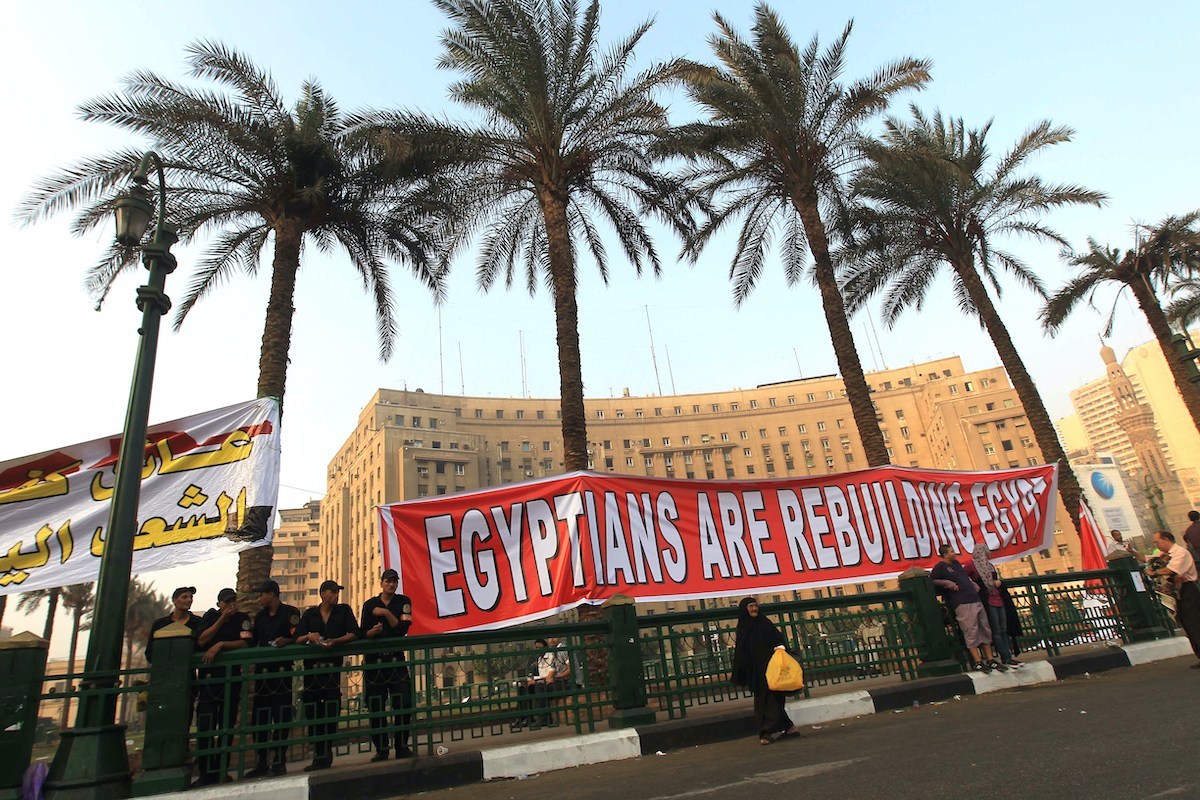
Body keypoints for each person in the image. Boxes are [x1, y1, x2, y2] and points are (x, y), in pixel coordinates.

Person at [294, 580, 359, 771]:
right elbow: (296, 638)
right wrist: (309, 636)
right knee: (313, 712)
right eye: (332, 592)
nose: (335, 595)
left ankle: (326, 753)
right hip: (312, 672)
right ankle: (318, 755)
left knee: (331, 711)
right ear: (323, 594)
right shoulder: (310, 614)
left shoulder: (343, 611)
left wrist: (336, 642)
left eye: (337, 592)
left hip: (331, 671)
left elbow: (355, 632)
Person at [193, 588, 252, 787]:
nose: (232, 605)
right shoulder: (211, 616)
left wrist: (221, 645)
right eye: (227, 602)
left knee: (226, 726)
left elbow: (246, 643)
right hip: (210, 681)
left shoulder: (242, 618)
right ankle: (206, 772)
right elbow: (201, 640)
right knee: (206, 726)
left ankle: (222, 770)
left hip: (231, 679)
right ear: (220, 604)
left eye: (234, 600)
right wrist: (221, 620)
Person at [244, 580, 300, 778]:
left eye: (262, 595)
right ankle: (261, 762)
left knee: (281, 717)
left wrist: (287, 641)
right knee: (260, 719)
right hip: (263, 674)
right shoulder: (259, 617)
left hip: (282, 672)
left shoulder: (290, 613)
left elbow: (298, 636)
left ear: (272, 594)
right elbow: (253, 641)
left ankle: (279, 760)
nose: (259, 599)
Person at [730, 597, 801, 745]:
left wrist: (780, 647)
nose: (754, 609)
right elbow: (741, 653)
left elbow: (778, 638)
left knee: (770, 702)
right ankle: (788, 727)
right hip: (757, 673)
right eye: (751, 606)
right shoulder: (744, 628)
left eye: (755, 605)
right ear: (745, 609)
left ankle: (766, 732)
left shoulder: (764, 623)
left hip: (773, 671)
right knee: (768, 701)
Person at [361, 568, 413, 761]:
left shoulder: (403, 602)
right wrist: (370, 633)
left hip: (395, 660)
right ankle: (382, 748)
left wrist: (385, 612)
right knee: (376, 708)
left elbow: (402, 629)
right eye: (388, 581)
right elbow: (362, 632)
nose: (391, 584)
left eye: (394, 581)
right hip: (375, 662)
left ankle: (402, 746)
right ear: (381, 582)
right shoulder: (369, 605)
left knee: (403, 704)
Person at [930, 544, 1006, 673]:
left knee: (984, 629)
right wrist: (947, 584)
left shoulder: (957, 565)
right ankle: (977, 661)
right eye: (951, 551)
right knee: (971, 630)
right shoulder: (941, 567)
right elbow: (932, 580)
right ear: (945, 554)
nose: (954, 553)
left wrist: (972, 584)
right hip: (962, 602)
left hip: (974, 598)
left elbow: (965, 577)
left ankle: (990, 659)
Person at [1149, 531, 1200, 668]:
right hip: (1178, 591)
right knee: (1188, 624)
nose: (1156, 544)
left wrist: (1154, 573)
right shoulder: (1164, 555)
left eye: (1157, 541)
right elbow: (1148, 559)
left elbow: (1170, 570)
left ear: (1166, 539)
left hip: (1188, 590)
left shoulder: (1180, 553)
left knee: (1194, 622)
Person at [967, 543, 1021, 667]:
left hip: (998, 599)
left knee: (1003, 629)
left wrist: (997, 583)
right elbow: (965, 578)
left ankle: (1007, 656)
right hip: (988, 601)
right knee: (996, 630)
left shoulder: (990, 566)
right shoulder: (972, 566)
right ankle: (1005, 657)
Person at [145, 586, 204, 663]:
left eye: (191, 597)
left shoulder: (198, 622)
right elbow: (150, 652)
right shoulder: (160, 624)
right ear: (175, 600)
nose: (189, 600)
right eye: (184, 597)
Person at [510, 638, 547, 731]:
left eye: (540, 647)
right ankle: (523, 717)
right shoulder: (539, 659)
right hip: (539, 681)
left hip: (545, 682)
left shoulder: (549, 657)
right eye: (536, 647)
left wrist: (534, 680)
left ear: (545, 647)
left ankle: (529, 717)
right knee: (522, 688)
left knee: (529, 689)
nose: (538, 649)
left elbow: (547, 675)